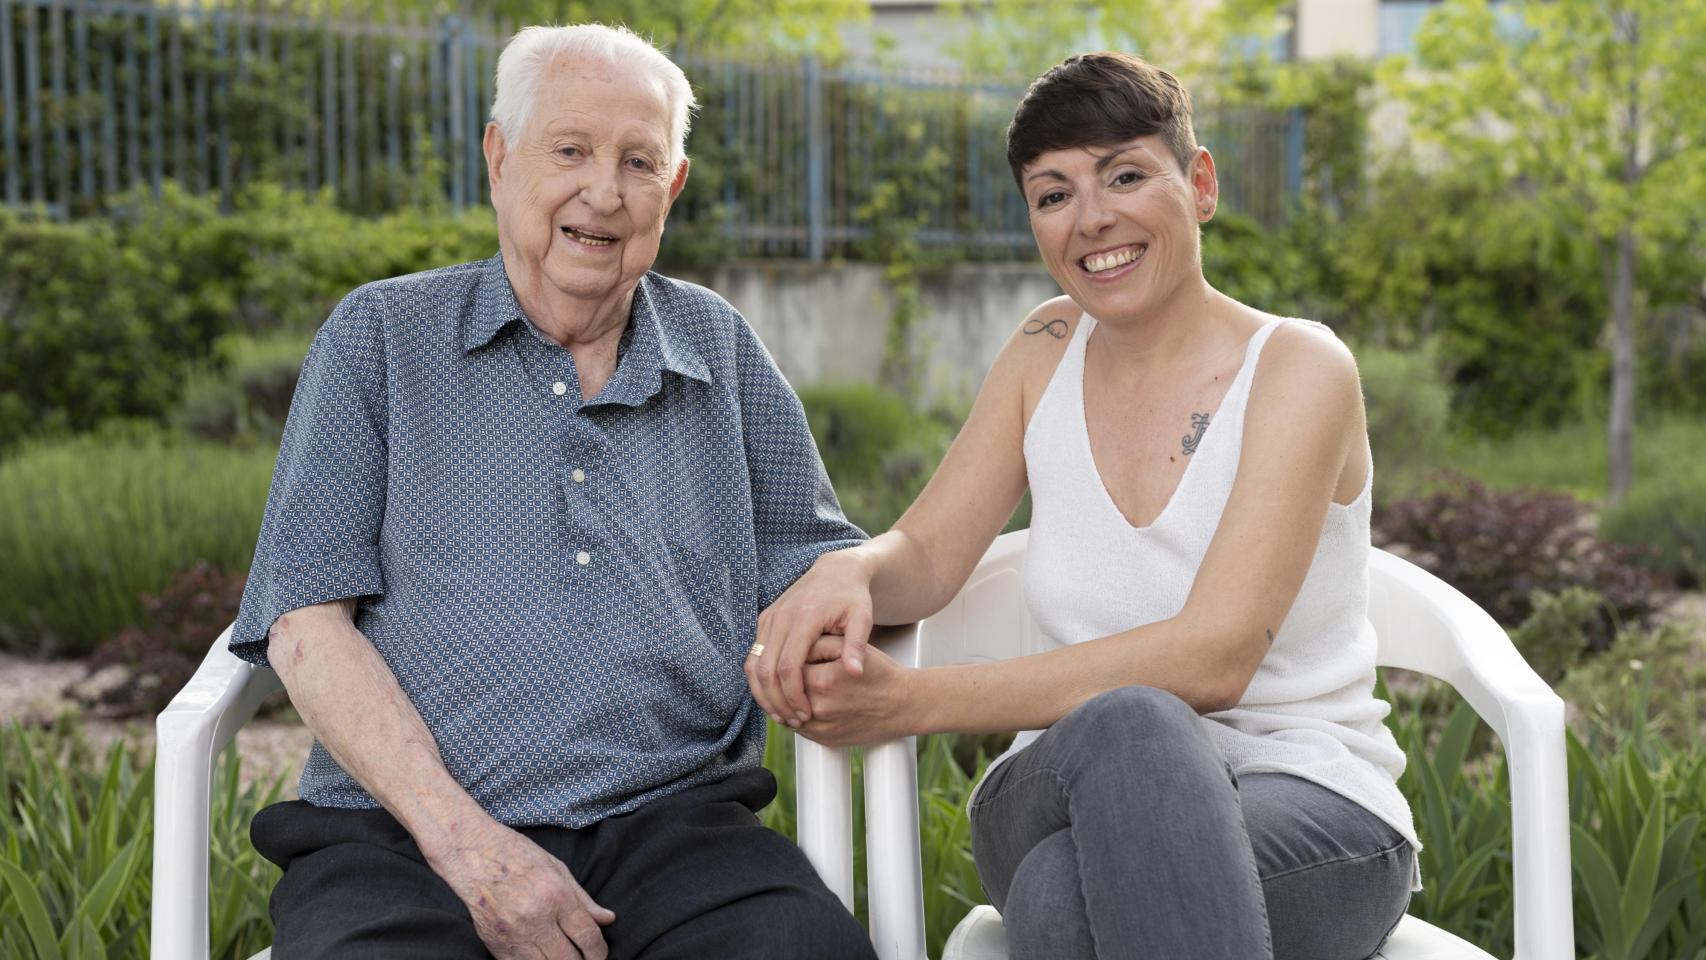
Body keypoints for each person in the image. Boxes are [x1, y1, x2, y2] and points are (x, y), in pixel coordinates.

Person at [746, 52, 1420, 960]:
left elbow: (1213, 658)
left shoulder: (1301, 369)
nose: (1092, 218)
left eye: (1126, 175)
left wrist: (907, 703)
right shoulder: (1043, 348)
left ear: (1201, 183)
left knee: (1067, 895)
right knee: (1129, 728)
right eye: (1053, 194)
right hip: (1053, 788)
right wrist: (852, 566)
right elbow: (930, 555)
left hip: (1309, 808)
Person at [228, 23, 877, 960]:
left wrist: (844, 579)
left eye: (639, 162)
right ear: (500, 158)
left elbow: (814, 556)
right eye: (569, 150)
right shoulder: (380, 337)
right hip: (402, 836)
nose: (603, 192)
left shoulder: (718, 346)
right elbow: (303, 621)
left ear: (674, 188)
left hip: (675, 829)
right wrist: (466, 844)